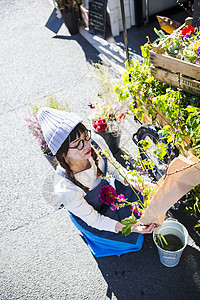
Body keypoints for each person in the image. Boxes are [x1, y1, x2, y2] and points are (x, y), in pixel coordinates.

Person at [38, 107, 155, 256]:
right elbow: (95, 220)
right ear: (62, 153)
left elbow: (114, 168)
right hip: (92, 215)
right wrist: (131, 227)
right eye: (78, 143)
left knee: (144, 191)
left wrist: (136, 183)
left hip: (108, 193)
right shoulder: (65, 187)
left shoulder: (95, 142)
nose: (87, 145)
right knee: (134, 240)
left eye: (86, 136)